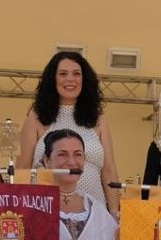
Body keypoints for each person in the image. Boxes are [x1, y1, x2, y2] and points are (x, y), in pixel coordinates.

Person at [18, 50, 119, 214]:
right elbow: (23, 168)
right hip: (47, 213)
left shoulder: (98, 117)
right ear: (53, 79)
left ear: (84, 80)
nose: (70, 79)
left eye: (76, 74)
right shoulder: (36, 116)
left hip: (94, 215)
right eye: (63, 74)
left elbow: (109, 169)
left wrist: (114, 212)